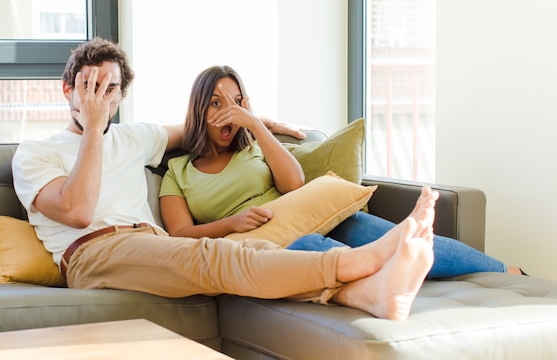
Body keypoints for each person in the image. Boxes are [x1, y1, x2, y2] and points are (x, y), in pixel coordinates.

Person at [11, 37, 437, 322]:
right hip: (92, 253)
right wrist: (92, 130)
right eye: (91, 86)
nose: (101, 97)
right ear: (68, 90)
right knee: (212, 256)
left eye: (111, 90)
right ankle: (359, 261)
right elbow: (79, 211)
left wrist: (259, 120)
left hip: (153, 242)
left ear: (122, 96)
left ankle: (364, 295)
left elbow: (202, 124)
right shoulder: (36, 153)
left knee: (248, 251)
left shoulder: (136, 135)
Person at [159, 65, 522, 279]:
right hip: (268, 243)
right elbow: (179, 233)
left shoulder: (253, 146)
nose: (228, 112)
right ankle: (384, 271)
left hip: (314, 216)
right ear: (199, 110)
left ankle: (506, 273)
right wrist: (232, 223)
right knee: (309, 250)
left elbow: (295, 183)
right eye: (216, 103)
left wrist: (256, 124)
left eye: (237, 102)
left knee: (397, 235)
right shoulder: (178, 170)